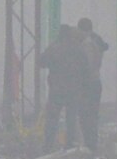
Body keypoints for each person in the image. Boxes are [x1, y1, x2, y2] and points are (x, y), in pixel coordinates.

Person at [38, 24, 91, 152]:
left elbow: (42, 62)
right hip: (73, 89)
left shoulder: (54, 47)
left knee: (52, 118)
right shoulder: (78, 49)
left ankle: (48, 145)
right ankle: (69, 144)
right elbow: (86, 68)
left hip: (56, 89)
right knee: (71, 118)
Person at [76, 18, 110, 154]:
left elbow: (87, 65)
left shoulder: (87, 44)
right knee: (92, 115)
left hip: (87, 83)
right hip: (95, 82)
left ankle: (89, 145)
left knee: (85, 114)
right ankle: (92, 144)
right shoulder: (97, 42)